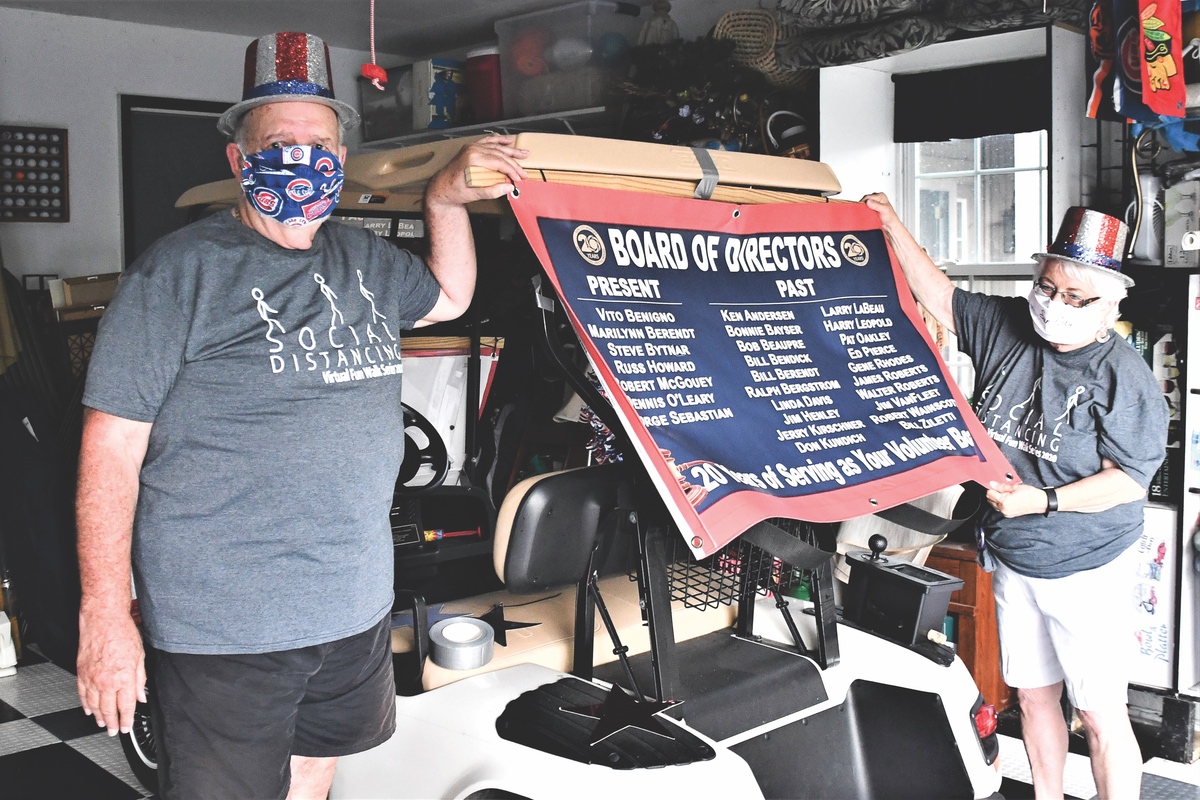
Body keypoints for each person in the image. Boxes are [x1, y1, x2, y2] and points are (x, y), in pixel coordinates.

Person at [74, 32, 527, 800]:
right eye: (276, 143)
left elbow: (449, 297)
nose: (299, 158)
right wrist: (106, 613)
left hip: (350, 605)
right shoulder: (177, 275)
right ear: (237, 160)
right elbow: (110, 449)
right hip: (225, 626)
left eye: (317, 143)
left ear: (341, 158)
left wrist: (443, 199)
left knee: (314, 772)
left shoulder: (366, 263)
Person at [866, 195, 1167, 800]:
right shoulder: (1009, 325)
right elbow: (942, 296)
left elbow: (1130, 480)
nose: (1055, 306)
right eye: (1048, 288)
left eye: (1075, 299)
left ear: (1109, 305)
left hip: (1085, 562)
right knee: (1032, 697)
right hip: (1011, 552)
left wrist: (1044, 502)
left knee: (1101, 714)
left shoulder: (1123, 377)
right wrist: (890, 223)